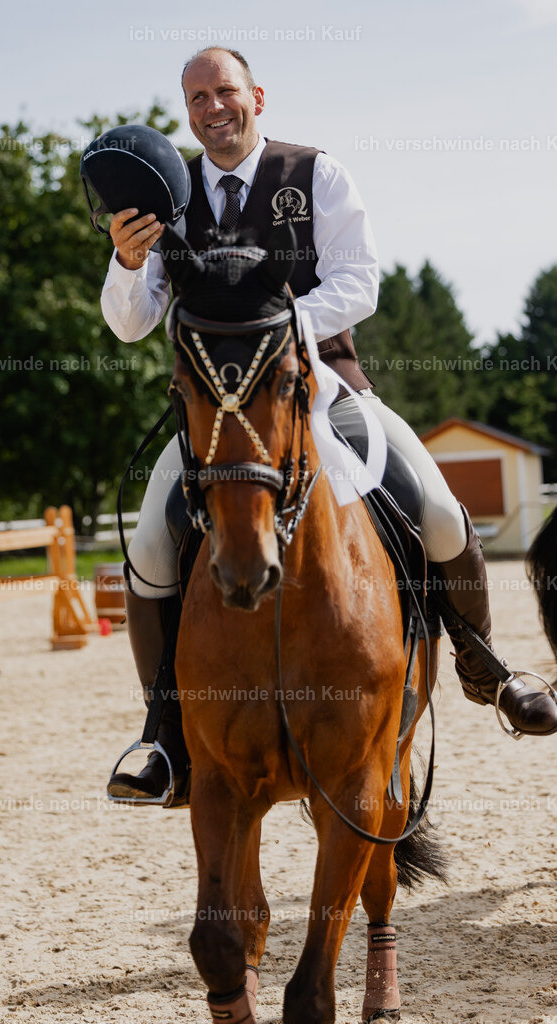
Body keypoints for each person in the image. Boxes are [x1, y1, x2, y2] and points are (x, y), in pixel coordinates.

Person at [102, 47, 557, 802]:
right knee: (149, 541)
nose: (212, 108)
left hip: (323, 389)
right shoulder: (165, 194)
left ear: (256, 96)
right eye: (196, 98)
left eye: (225, 92)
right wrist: (123, 262)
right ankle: (163, 735)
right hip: (215, 412)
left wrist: (274, 333)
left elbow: (358, 280)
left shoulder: (315, 174)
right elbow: (131, 322)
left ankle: (487, 669)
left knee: (439, 512)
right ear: (186, 110)